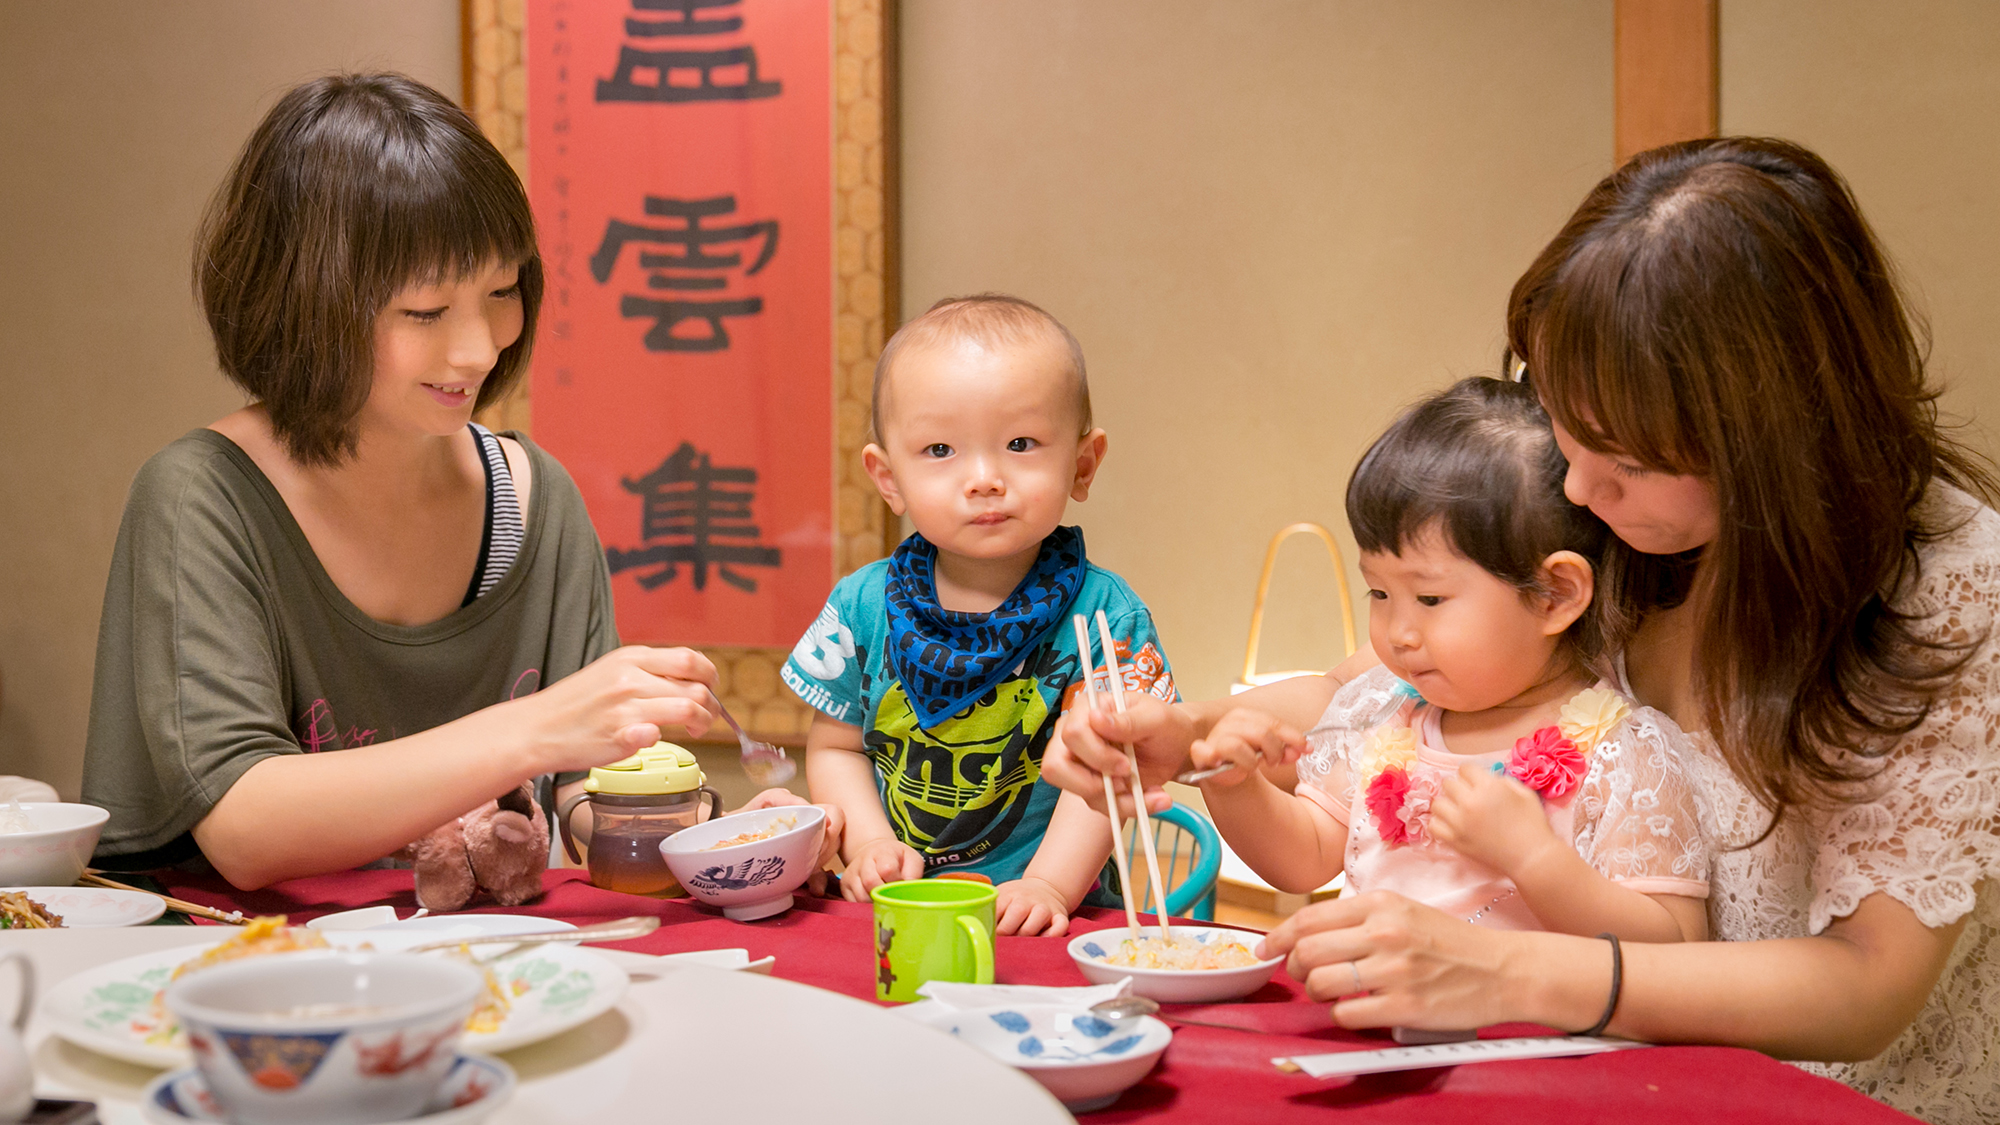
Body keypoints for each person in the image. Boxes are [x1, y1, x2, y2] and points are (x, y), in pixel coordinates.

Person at [1045, 137, 2000, 1122]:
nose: (1578, 486)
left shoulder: (1944, 586)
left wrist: (1506, 969)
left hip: (1826, 1098)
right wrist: (1192, 735)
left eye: (1620, 461)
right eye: (1563, 424)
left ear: (1762, 437)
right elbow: (1368, 691)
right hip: (1578, 1068)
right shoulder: (1611, 505)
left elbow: (1864, 987)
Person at [80, 73, 731, 890]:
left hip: (483, 984)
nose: (477, 349)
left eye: (501, 292)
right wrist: (541, 727)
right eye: (425, 311)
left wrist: (696, 830)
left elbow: (580, 791)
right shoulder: (202, 498)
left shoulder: (534, 502)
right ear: (304, 305)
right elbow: (245, 822)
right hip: (238, 982)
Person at [1201, 377, 1707, 944]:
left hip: (1530, 1029)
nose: (1398, 633)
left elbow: (1674, 941)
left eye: (1431, 599)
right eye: (1380, 594)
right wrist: (1234, 785)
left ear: (1554, 594)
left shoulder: (1624, 752)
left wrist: (1535, 858)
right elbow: (1306, 855)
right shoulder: (1390, 715)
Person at [782, 294, 1175, 937]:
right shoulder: (859, 605)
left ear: (1082, 463)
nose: (985, 478)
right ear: (888, 479)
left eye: (1020, 443)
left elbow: (1110, 775)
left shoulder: (1107, 616)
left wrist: (1049, 884)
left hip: (1047, 917)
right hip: (895, 913)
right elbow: (836, 746)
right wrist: (871, 846)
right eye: (940, 449)